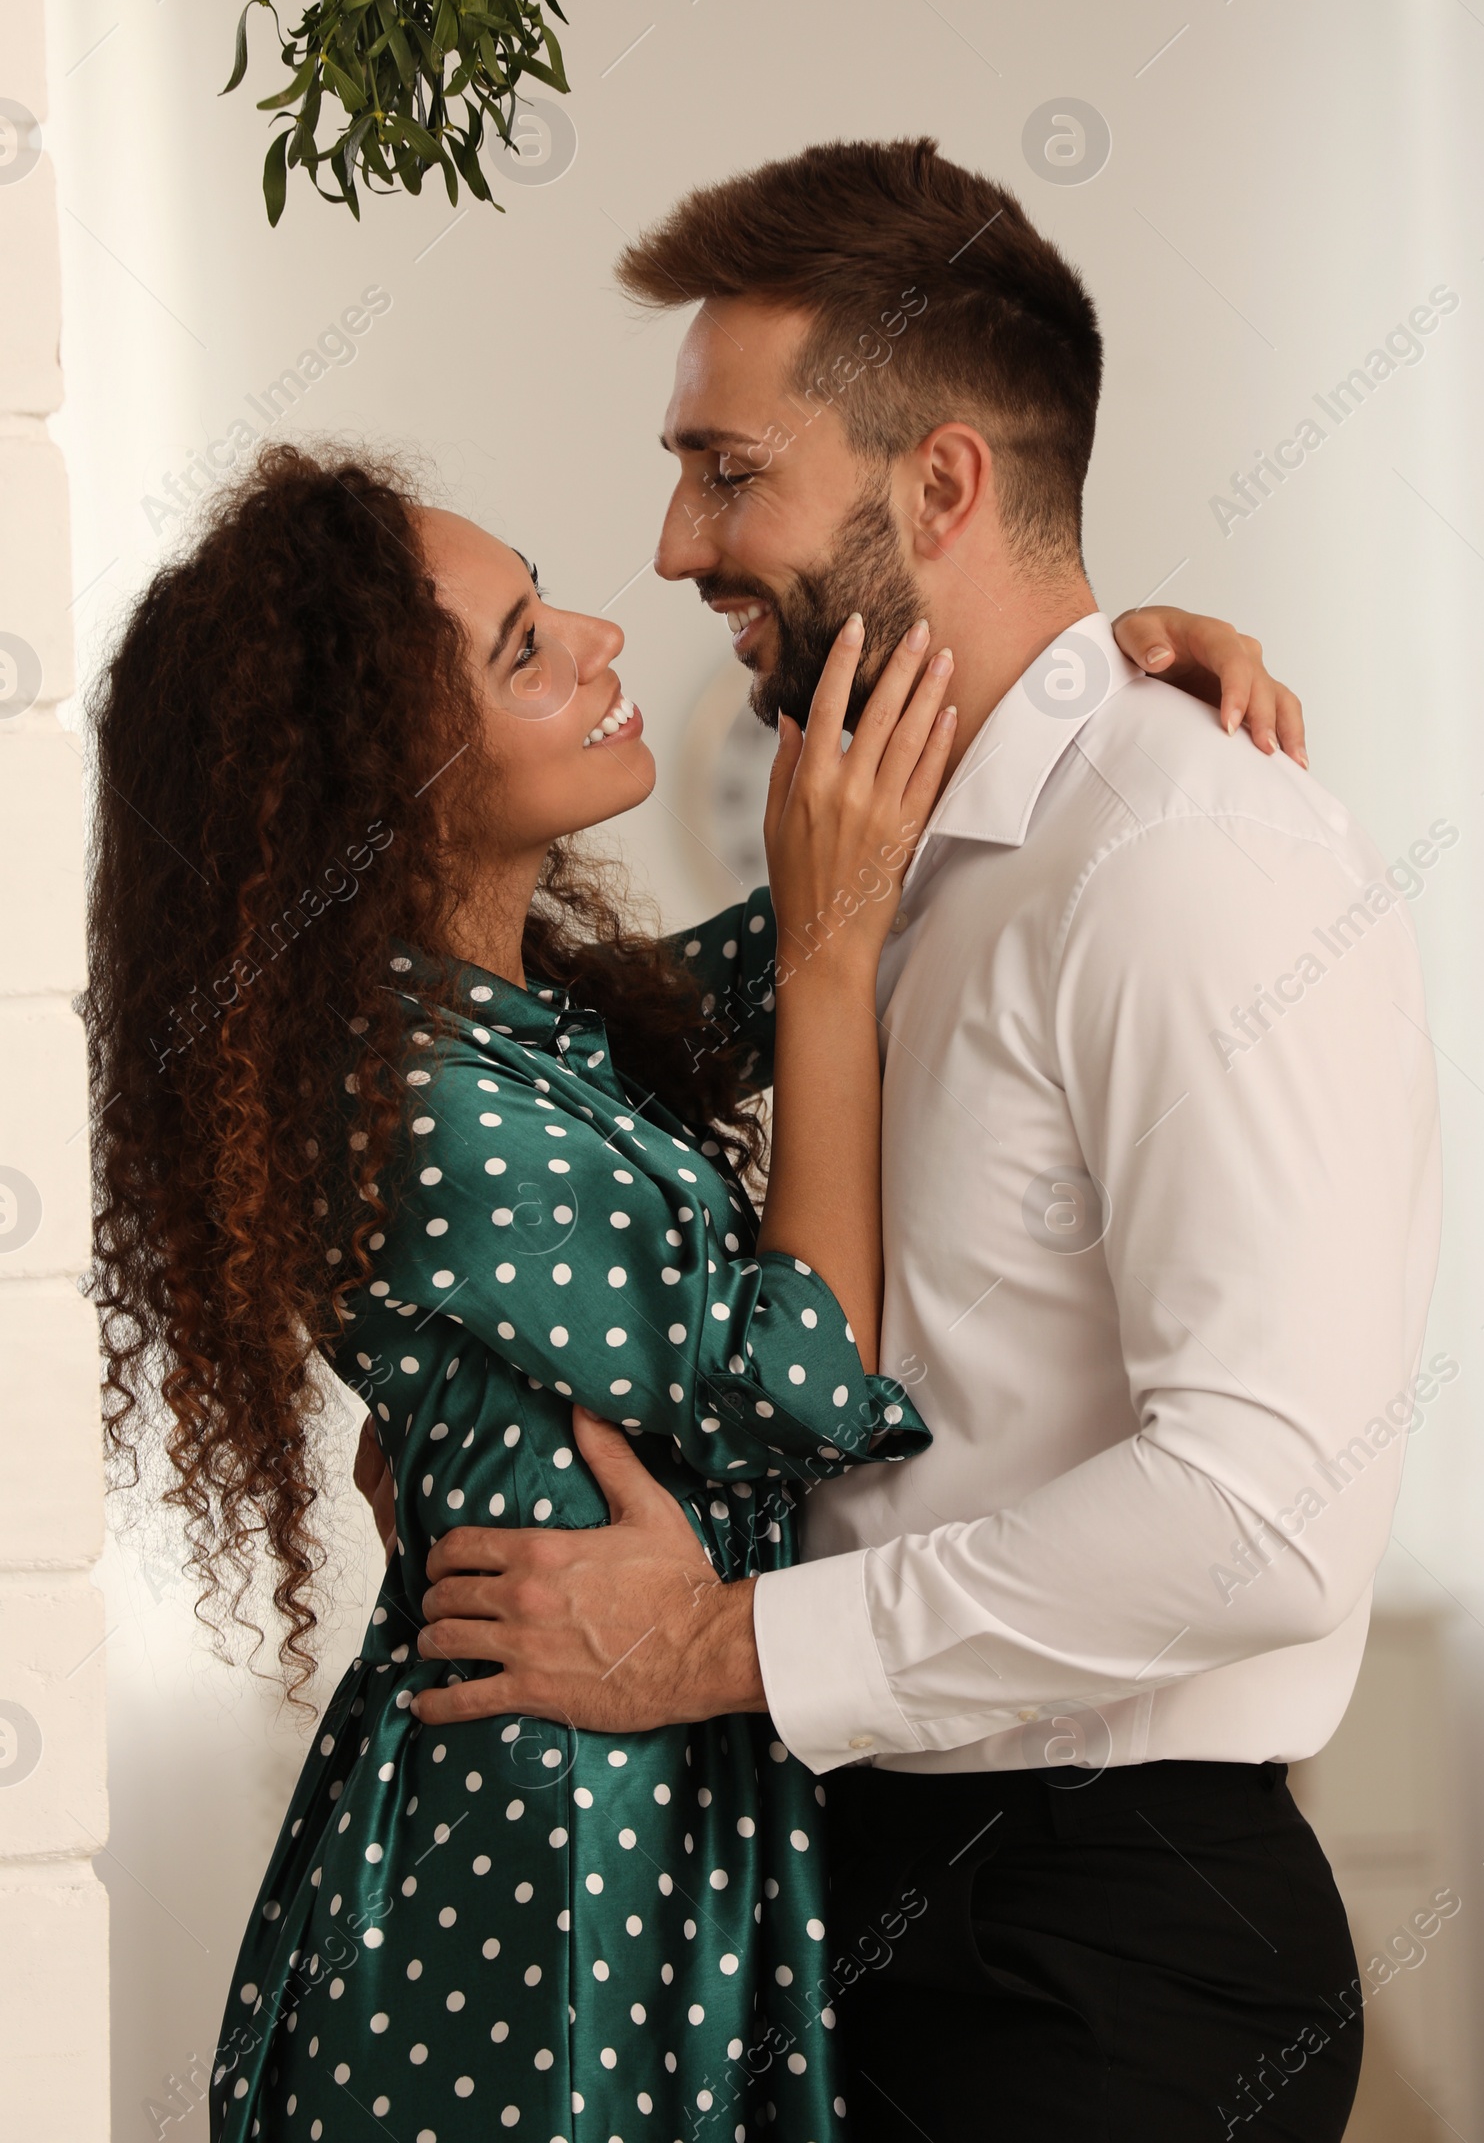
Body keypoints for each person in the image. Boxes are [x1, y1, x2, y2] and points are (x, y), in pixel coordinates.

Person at [411, 139, 1442, 2141]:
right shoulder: (876, 858)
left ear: (941, 485)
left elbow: (1256, 1510)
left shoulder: (1185, 852)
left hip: (1092, 1963)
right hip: (867, 1902)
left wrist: (718, 1644)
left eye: (728, 471)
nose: (673, 541)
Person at [84, 439, 1284, 2141]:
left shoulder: (506, 1022)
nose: (596, 636)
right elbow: (802, 1375)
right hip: (551, 1851)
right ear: (379, 780)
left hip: (640, 1788)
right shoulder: (421, 1106)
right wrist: (832, 948)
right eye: (520, 648)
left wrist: (1090, 680)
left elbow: (825, 908)